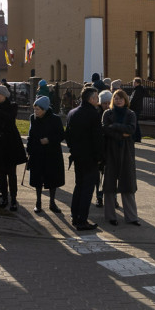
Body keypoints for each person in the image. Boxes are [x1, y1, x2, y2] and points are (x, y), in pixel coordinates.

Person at [65, 87, 103, 230]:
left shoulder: (72, 112)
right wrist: (99, 157)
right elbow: (97, 138)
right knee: (87, 189)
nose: (98, 99)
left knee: (79, 186)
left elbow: (67, 135)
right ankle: (82, 220)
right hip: (90, 157)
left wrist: (74, 149)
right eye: (96, 97)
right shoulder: (93, 114)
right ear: (91, 99)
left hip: (77, 156)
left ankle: (75, 216)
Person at [101, 89, 141, 226]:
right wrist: (120, 134)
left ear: (125, 100)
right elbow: (105, 129)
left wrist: (116, 126)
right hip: (111, 151)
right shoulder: (107, 113)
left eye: (120, 98)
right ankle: (111, 216)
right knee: (110, 185)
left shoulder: (131, 114)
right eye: (116, 98)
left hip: (126, 152)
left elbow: (131, 129)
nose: (118, 100)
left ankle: (131, 217)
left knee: (128, 184)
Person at [0, 84, 27, 211]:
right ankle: (4, 197)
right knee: (0, 174)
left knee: (12, 174)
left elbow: (9, 119)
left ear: (4, 95)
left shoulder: (12, 106)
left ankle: (13, 199)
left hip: (11, 144)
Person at [26, 95, 65, 214]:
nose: (36, 111)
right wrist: (29, 148)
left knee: (52, 178)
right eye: (35, 109)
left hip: (52, 153)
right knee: (38, 178)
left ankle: (52, 203)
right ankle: (38, 203)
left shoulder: (55, 119)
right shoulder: (33, 118)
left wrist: (49, 140)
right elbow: (30, 134)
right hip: (37, 153)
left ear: (45, 109)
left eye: (38, 109)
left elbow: (61, 135)